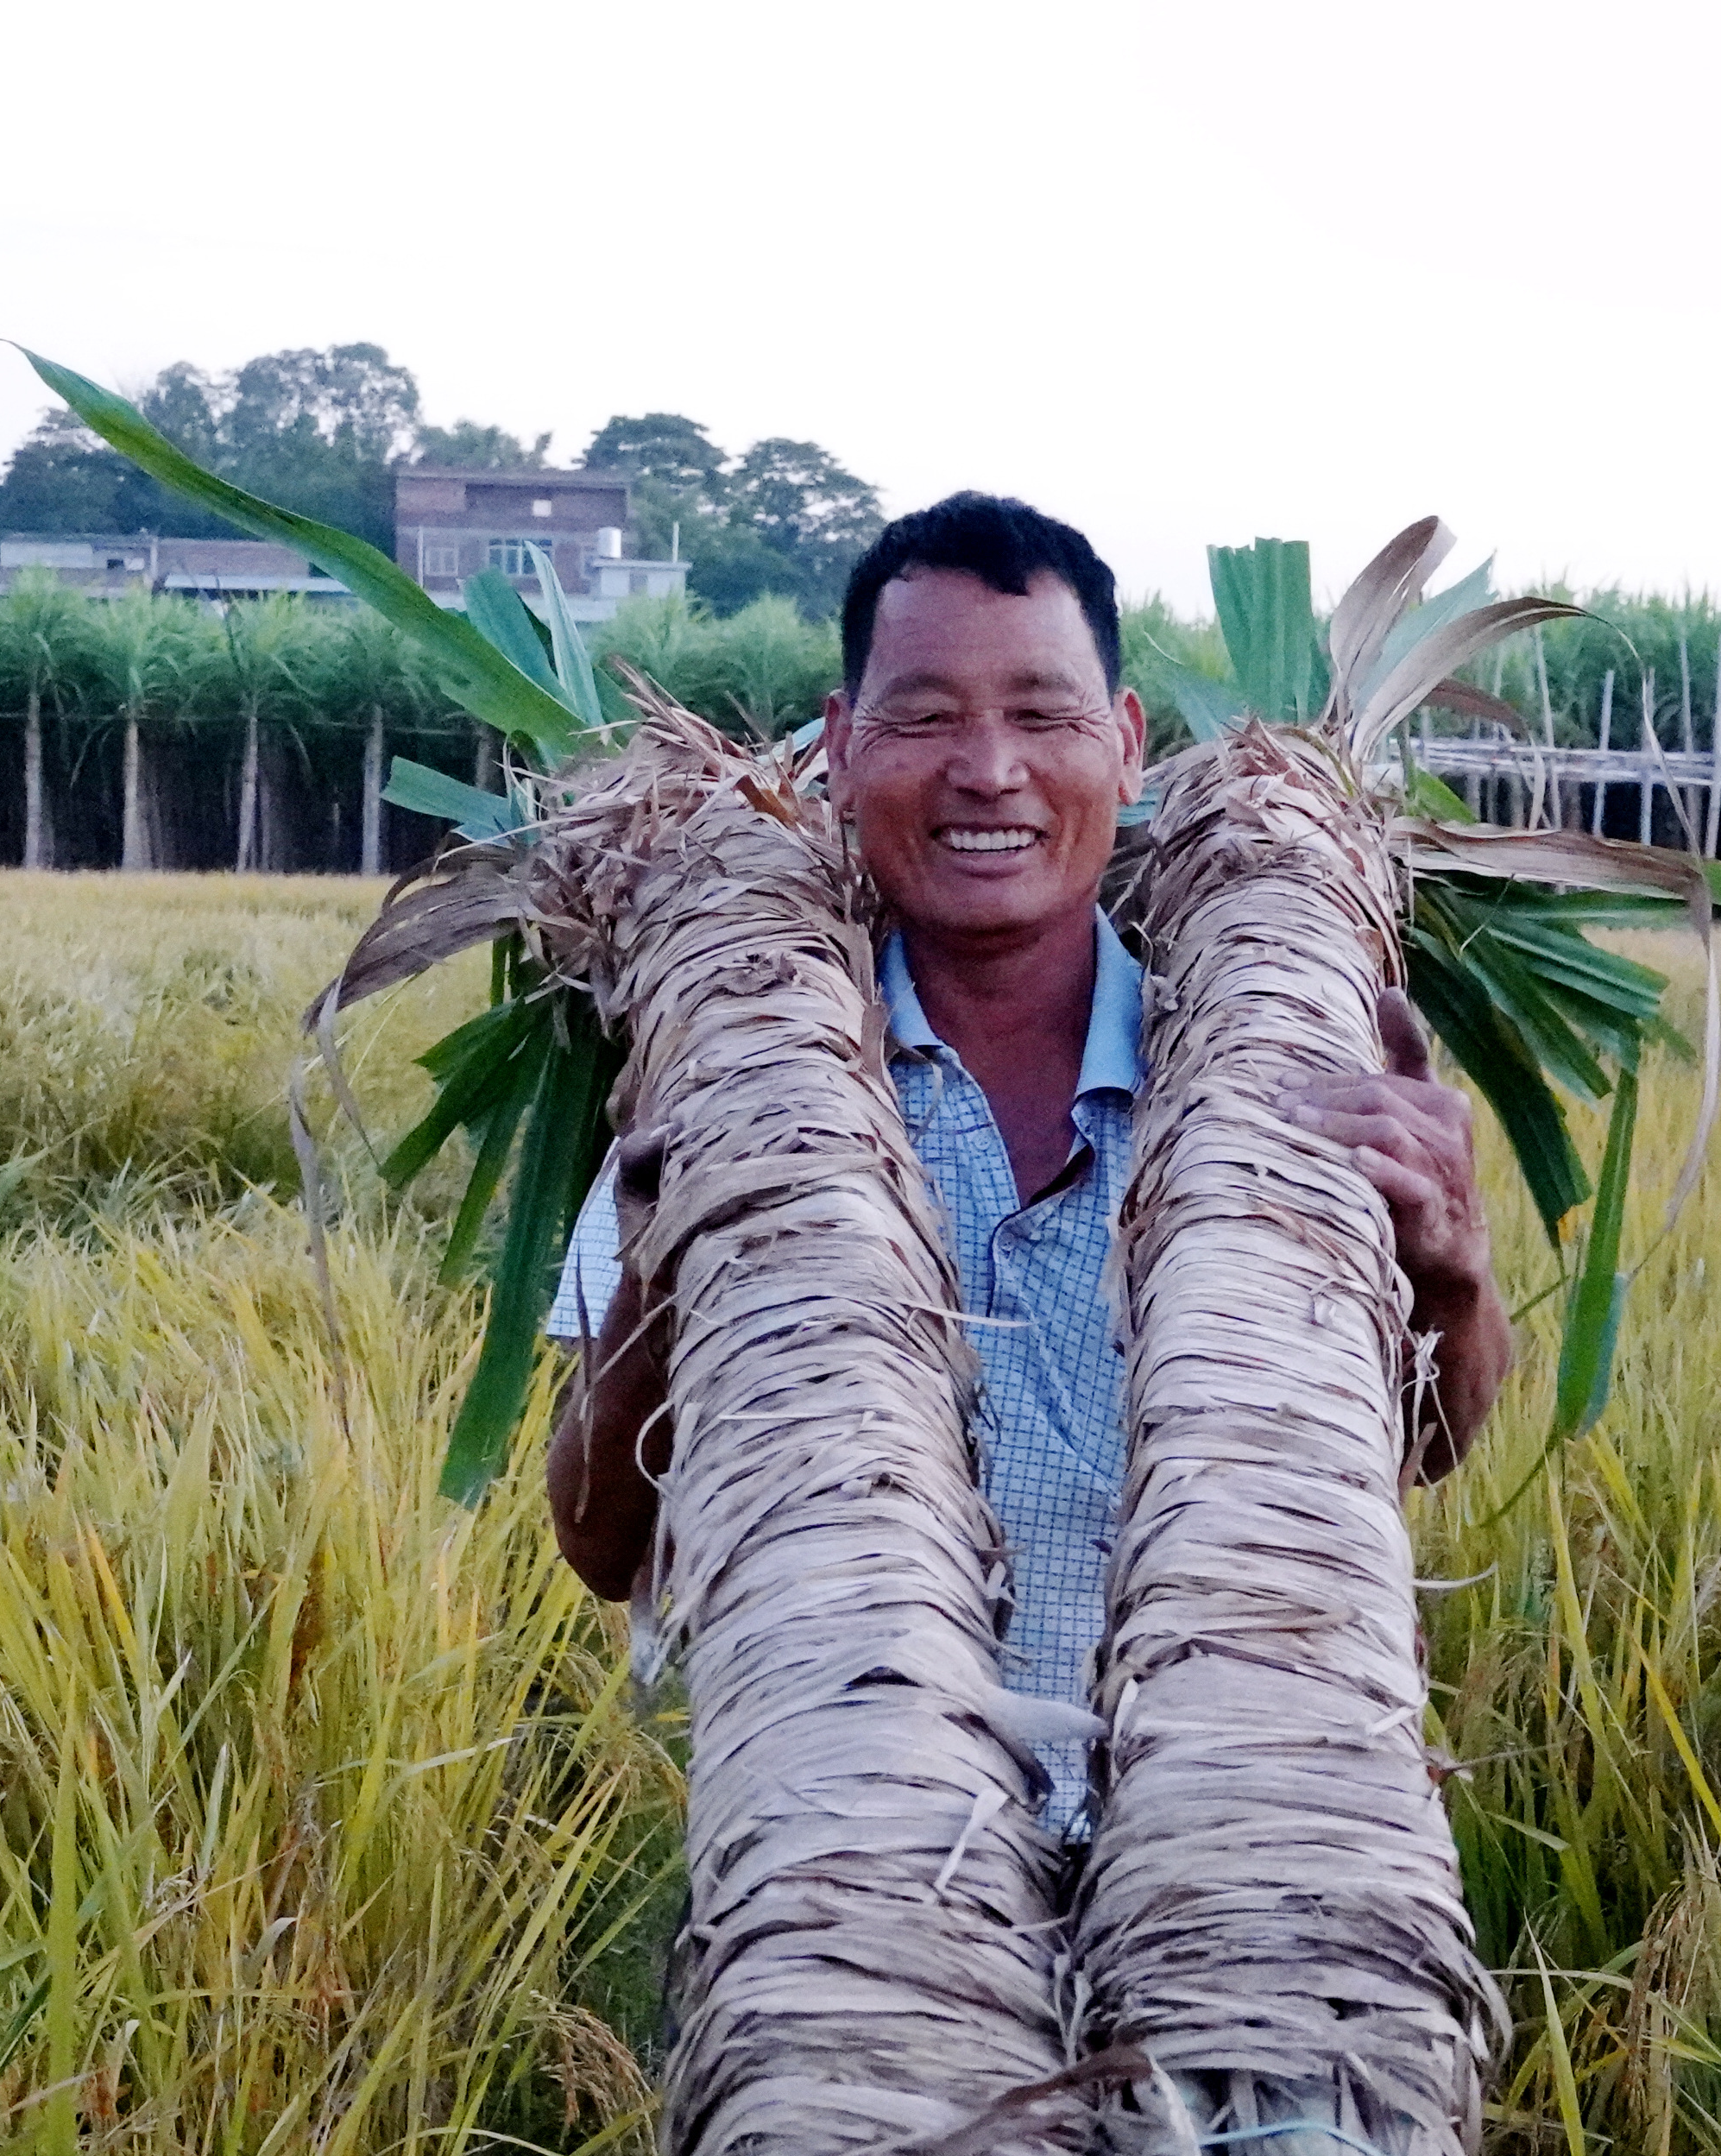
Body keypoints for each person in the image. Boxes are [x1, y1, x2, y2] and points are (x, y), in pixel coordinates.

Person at [545, 494, 1511, 1831]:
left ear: (1123, 748)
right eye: (926, 716)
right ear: (840, 748)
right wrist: (682, 1268)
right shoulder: (736, 1080)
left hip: (1229, 1842)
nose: (988, 770)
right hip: (854, 1871)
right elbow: (600, 1544)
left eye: (1043, 715)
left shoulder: (1271, 1084)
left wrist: (1454, 1279)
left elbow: (1417, 1450)